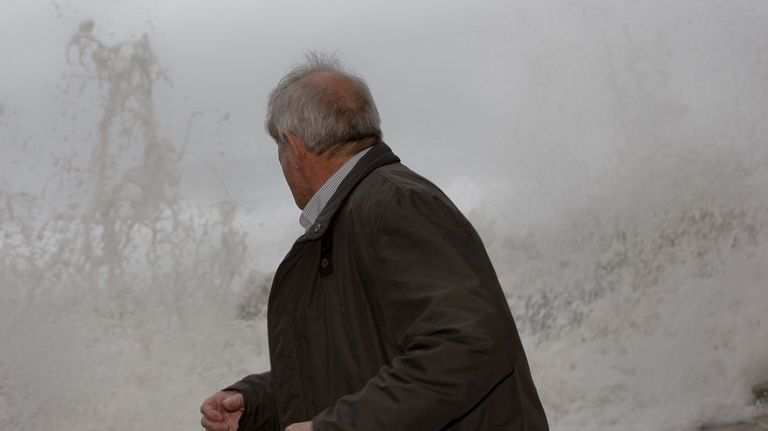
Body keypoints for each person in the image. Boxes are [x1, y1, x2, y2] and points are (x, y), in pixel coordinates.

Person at [200, 53, 549, 431]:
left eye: (279, 148)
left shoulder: (397, 205)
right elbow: (363, 364)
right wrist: (257, 402)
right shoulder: (353, 215)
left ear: (296, 148)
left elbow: (468, 345)